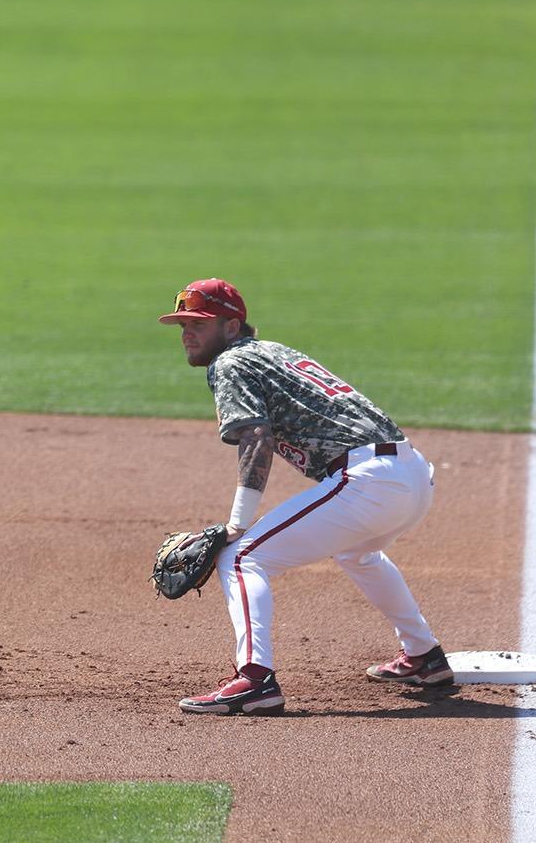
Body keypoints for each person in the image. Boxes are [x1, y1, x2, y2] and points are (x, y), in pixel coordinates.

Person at [160, 278, 450, 715]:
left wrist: (238, 523)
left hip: (369, 479)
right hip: (410, 474)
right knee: (359, 554)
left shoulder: (231, 363)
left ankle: (255, 680)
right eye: (182, 323)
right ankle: (425, 656)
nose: (187, 332)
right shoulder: (274, 351)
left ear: (232, 326)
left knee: (239, 556)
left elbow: (256, 436)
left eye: (199, 323)